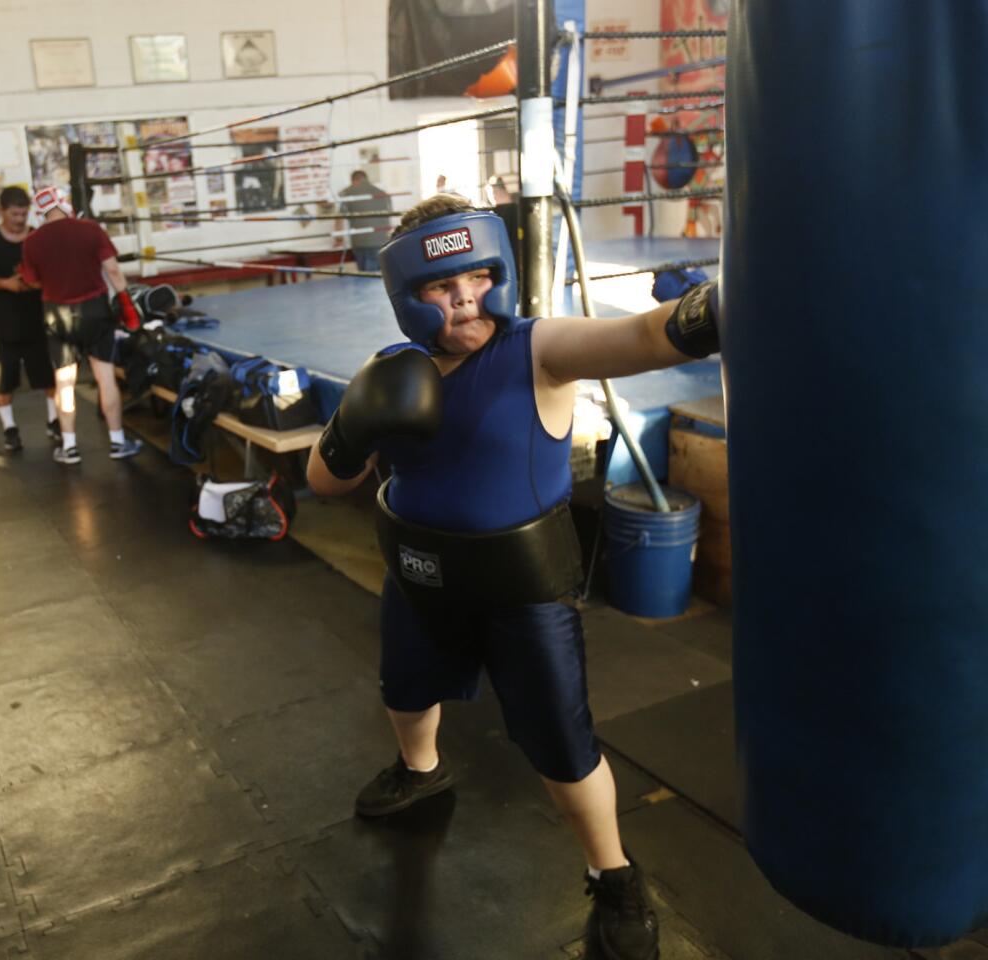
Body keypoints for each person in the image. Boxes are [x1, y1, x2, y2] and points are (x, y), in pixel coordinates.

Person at [306, 194, 721, 960]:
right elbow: (325, 484)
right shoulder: (389, 371)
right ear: (407, 295)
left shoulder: (541, 348)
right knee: (405, 690)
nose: (465, 297)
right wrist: (352, 424)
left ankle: (615, 871)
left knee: (560, 746)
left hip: (521, 586)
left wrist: (715, 309)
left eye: (477, 276)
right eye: (441, 287)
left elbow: (639, 334)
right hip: (418, 573)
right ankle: (420, 771)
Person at [19, 186, 142, 465]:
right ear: (64, 203)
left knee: (64, 382)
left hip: (55, 313)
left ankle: (71, 446)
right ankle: (117, 441)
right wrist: (126, 304)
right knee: (106, 378)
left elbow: (31, 280)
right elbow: (112, 269)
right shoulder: (89, 229)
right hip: (94, 309)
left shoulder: (32, 241)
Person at [0, 186, 59, 452]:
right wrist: (4, 284)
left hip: (35, 319)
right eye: (14, 214)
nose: (19, 220)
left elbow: (49, 272)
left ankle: (54, 421)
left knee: (48, 378)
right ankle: (10, 428)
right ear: (1, 211)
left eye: (23, 214)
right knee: (3, 380)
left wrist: (34, 284)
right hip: (2, 322)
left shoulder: (35, 236)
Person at [337, 170, 393, 273]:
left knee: (366, 278)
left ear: (353, 180)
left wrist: (339, 238)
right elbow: (389, 215)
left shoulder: (348, 193)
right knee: (382, 277)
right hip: (383, 241)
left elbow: (339, 217)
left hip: (362, 241)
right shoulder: (382, 193)